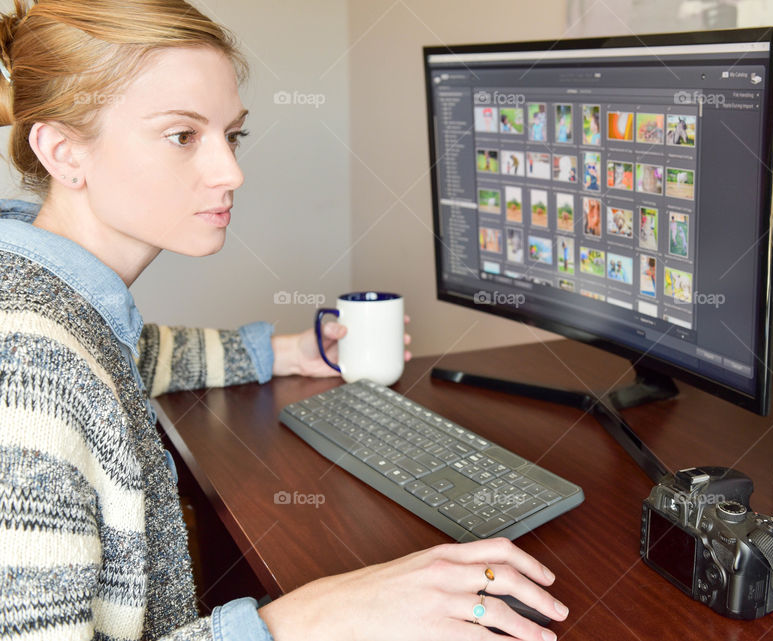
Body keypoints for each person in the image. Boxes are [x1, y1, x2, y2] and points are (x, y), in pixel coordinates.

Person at [0, 2, 568, 641]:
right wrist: (302, 619)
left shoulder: (47, 301)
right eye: (182, 135)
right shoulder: (28, 368)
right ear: (62, 150)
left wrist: (289, 353)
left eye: (231, 134)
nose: (231, 172)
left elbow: (129, 356)